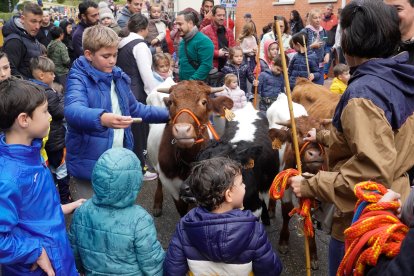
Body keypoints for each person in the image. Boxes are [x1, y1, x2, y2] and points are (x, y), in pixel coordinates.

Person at [287, 1, 414, 276]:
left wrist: (310, 183)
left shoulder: (363, 94)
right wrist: (321, 134)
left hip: (364, 223)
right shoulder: (400, 76)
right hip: (397, 205)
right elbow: (381, 138)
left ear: (346, 43)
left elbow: (371, 175)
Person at [64, 25, 170, 200]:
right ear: (89, 55)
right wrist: (102, 118)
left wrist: (171, 114)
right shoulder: (78, 78)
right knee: (91, 217)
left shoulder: (117, 77)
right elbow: (73, 110)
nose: (112, 61)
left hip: (117, 160)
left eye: (115, 55)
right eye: (106, 56)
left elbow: (136, 109)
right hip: (91, 166)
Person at [0, 78, 80, 275]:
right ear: (24, 120)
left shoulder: (31, 153)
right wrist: (34, 251)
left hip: (57, 255)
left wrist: (60, 209)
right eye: (44, 111)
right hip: (40, 268)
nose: (50, 116)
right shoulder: (9, 178)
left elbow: (28, 210)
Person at [163, 157, 283, 275]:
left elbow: (171, 271)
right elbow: (271, 270)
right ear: (229, 195)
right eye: (241, 183)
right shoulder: (254, 231)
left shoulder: (184, 227)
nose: (244, 186)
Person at [69, 148, 165, 275]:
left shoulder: (81, 212)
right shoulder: (140, 219)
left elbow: (74, 253)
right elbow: (152, 263)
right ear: (134, 181)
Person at [117, 13, 161, 181]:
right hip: (137, 94)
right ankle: (141, 169)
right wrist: (154, 95)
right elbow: (147, 75)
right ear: (145, 28)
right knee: (139, 133)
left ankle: (130, 166)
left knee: (127, 133)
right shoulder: (140, 45)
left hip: (123, 92)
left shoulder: (122, 44)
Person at [30, 56, 72, 204]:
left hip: (44, 141)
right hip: (55, 140)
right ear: (42, 75)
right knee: (62, 169)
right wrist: (60, 96)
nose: (54, 76)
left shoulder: (30, 88)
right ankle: (65, 199)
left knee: (50, 170)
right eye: (51, 73)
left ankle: (53, 197)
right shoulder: (48, 92)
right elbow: (60, 112)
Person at [2, 2, 43, 79]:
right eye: (33, 21)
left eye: (40, 22)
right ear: (22, 19)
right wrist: (34, 85)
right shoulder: (14, 41)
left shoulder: (30, 35)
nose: (37, 26)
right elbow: (10, 73)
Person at [176, 9, 214, 81]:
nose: (177, 27)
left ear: (190, 23)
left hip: (197, 88)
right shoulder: (182, 41)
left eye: (180, 24)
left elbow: (205, 66)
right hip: (183, 86)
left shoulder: (204, 41)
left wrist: (190, 82)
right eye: (176, 24)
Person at [201, 5, 235, 71]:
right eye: (219, 15)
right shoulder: (205, 31)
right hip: (211, 70)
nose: (222, 18)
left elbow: (233, 48)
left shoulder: (229, 31)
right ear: (213, 16)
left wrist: (231, 53)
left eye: (223, 15)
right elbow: (201, 51)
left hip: (228, 70)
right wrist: (217, 53)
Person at [302, 9, 330, 85]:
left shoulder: (323, 31)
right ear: (310, 19)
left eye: (319, 17)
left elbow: (326, 45)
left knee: (319, 88)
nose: (318, 20)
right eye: (315, 18)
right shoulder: (305, 31)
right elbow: (300, 49)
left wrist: (327, 54)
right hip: (309, 66)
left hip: (320, 66)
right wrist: (312, 46)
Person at [320, 4, 339, 79]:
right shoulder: (321, 18)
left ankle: (324, 73)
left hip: (330, 43)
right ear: (325, 9)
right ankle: (321, 72)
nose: (329, 11)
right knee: (321, 57)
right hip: (322, 41)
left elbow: (337, 33)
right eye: (328, 9)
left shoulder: (335, 19)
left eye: (330, 10)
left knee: (328, 58)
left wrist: (335, 44)